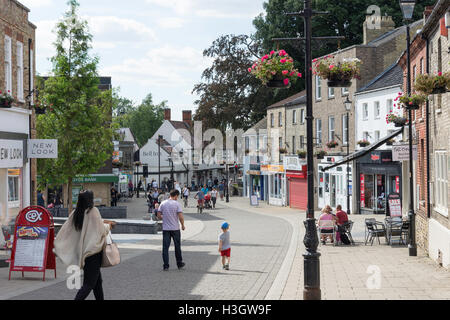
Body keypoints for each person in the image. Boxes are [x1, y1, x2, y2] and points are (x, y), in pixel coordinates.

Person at [54, 190, 116, 300]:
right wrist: (110, 226)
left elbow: (65, 232)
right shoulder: (93, 211)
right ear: (90, 200)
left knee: (97, 282)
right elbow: (100, 230)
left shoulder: (75, 213)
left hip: (84, 253)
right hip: (94, 252)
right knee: (89, 284)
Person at [157, 189, 186, 271]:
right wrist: (183, 225)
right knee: (177, 246)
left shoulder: (163, 203)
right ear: (176, 195)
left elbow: (158, 215)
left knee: (165, 247)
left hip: (166, 228)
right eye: (178, 196)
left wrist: (164, 218)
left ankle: (166, 265)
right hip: (175, 228)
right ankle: (179, 264)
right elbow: (180, 216)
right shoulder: (177, 204)